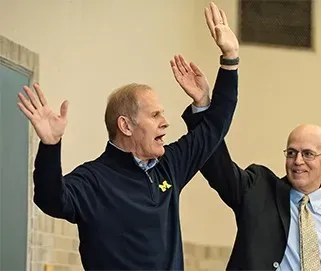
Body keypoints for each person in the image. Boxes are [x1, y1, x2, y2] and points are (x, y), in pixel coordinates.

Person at [16, 2, 239, 269]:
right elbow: (50, 200)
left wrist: (230, 60)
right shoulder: (93, 180)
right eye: (155, 115)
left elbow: (214, 128)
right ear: (126, 125)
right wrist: (50, 146)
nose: (166, 123)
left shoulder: (169, 167)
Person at [180, 5, 321, 270]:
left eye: (308, 154)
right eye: (292, 152)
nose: (297, 161)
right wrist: (205, 103)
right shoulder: (258, 191)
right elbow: (217, 166)